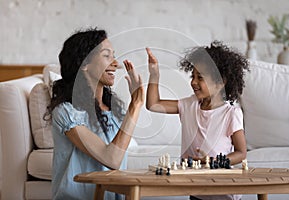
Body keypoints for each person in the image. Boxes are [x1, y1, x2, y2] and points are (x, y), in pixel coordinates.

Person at [46, 28, 144, 200]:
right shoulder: (66, 112)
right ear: (84, 64)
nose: (116, 63)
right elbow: (111, 158)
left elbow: (119, 169)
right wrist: (135, 105)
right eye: (107, 56)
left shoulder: (114, 111)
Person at [145, 41, 249, 200]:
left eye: (200, 77)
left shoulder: (231, 113)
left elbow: (241, 153)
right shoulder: (188, 105)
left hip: (224, 192)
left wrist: (215, 161)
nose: (193, 82)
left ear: (221, 82)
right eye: (192, 76)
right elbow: (153, 104)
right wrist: (154, 75)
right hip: (197, 190)